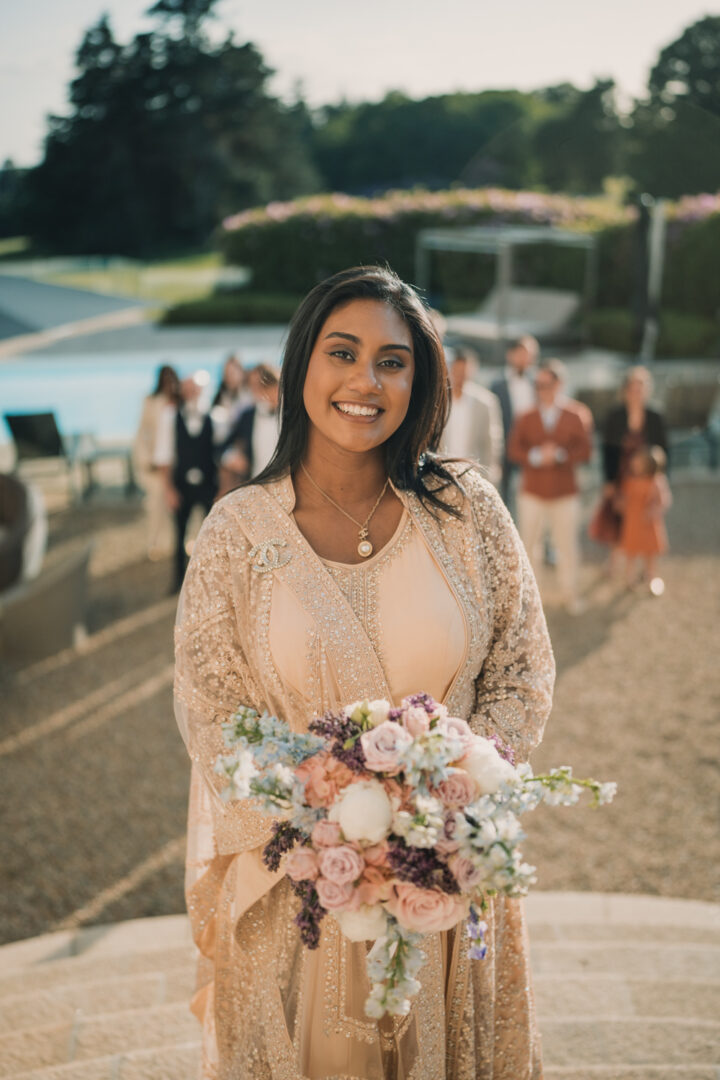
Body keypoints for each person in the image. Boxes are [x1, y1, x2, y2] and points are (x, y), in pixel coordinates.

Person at [174, 266, 554, 1078]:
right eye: (342, 352)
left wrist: (442, 808)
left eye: (393, 360)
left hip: (444, 881)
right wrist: (334, 824)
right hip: (303, 897)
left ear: (420, 380)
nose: (364, 380)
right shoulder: (238, 531)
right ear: (301, 362)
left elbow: (523, 672)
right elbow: (211, 708)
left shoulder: (467, 509)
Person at [507, 360, 593, 614]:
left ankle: (570, 593)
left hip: (565, 492)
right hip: (532, 491)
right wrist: (535, 456)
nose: (542, 389)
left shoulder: (577, 414)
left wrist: (560, 456)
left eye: (547, 384)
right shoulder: (525, 415)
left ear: (560, 384)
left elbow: (586, 450)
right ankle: (532, 600)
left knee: (566, 545)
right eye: (538, 384)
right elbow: (513, 449)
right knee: (529, 544)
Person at [599, 366, 669, 577]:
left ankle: (649, 572)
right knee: (618, 520)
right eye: (633, 387)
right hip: (622, 477)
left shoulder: (655, 416)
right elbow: (608, 450)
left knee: (649, 523)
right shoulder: (615, 416)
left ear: (648, 390)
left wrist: (662, 479)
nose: (636, 392)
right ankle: (615, 563)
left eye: (641, 387)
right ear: (625, 390)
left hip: (648, 479)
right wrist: (609, 481)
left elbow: (665, 450)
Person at [154, 371, 218, 591]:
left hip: (209, 486)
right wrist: (169, 489)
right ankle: (178, 582)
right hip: (181, 486)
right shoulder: (170, 416)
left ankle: (211, 579)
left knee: (212, 534)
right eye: (188, 388)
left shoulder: (215, 416)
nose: (192, 392)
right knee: (179, 533)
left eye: (196, 388)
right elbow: (164, 455)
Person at [132, 364, 180, 559]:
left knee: (177, 505)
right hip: (155, 463)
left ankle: (177, 541)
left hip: (176, 464)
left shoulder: (179, 402)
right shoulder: (151, 402)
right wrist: (146, 459)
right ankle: (155, 542)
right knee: (155, 504)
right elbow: (142, 432)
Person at [490, 336, 539, 513]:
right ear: (510, 355)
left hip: (533, 448)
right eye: (522, 354)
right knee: (504, 497)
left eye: (530, 355)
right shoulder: (497, 384)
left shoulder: (537, 382)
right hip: (507, 446)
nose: (526, 359)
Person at [442, 348, 504, 485]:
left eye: (465, 372)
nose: (461, 376)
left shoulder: (485, 402)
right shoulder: (439, 400)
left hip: (474, 476)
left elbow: (491, 443)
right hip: (442, 474)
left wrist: (489, 476)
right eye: (458, 371)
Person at [217, 363, 281, 495]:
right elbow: (221, 448)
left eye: (261, 385)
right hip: (256, 488)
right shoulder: (248, 416)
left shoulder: (293, 416)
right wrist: (232, 458)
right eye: (252, 386)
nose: (256, 391)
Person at [617, 444, 671, 591]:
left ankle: (651, 578)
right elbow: (624, 499)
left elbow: (664, 501)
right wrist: (620, 504)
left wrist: (654, 510)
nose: (634, 465)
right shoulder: (630, 481)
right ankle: (630, 578)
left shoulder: (656, 482)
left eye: (639, 463)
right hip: (633, 523)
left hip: (649, 524)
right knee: (631, 552)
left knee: (650, 554)